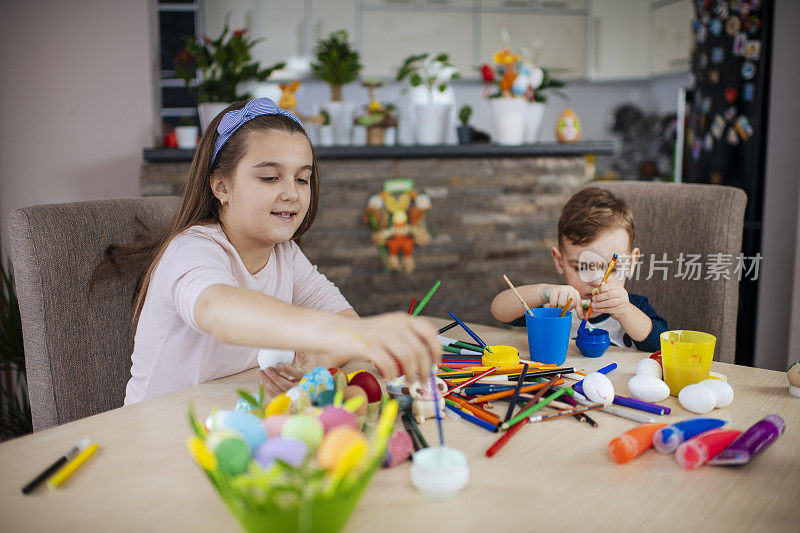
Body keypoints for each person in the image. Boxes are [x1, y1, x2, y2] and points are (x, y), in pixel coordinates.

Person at [93, 98, 439, 405]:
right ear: (221, 185)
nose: (292, 193)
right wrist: (359, 336)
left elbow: (343, 322)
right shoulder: (192, 248)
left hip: (231, 432)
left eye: (302, 179)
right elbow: (217, 309)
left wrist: (319, 358)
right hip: (155, 442)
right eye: (270, 178)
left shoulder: (284, 253)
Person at [490, 187, 668, 352]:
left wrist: (626, 311)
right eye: (582, 267)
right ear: (560, 261)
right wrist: (542, 293)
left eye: (611, 269)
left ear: (630, 263)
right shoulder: (554, 306)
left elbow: (664, 346)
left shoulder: (635, 307)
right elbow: (498, 310)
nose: (597, 280)